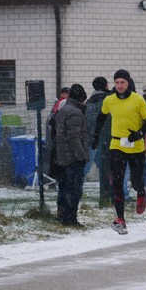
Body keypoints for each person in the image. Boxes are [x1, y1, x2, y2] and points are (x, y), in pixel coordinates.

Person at [93, 69, 146, 235]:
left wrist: (139, 133)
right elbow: (101, 118)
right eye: (117, 82)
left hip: (135, 145)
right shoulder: (109, 100)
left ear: (128, 83)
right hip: (117, 144)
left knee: (136, 180)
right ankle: (120, 219)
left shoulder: (138, 99)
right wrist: (95, 137)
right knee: (117, 181)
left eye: (123, 82)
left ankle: (141, 192)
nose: (119, 86)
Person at [55, 84, 89, 227]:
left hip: (62, 156)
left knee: (64, 187)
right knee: (74, 189)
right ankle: (70, 218)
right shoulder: (75, 112)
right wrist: (82, 155)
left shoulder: (63, 109)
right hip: (72, 158)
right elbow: (74, 138)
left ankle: (62, 214)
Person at [84, 76, 113, 207]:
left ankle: (103, 198)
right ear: (105, 85)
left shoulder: (89, 102)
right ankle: (108, 197)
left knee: (93, 169)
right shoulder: (109, 100)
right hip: (107, 138)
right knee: (108, 170)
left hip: (92, 139)